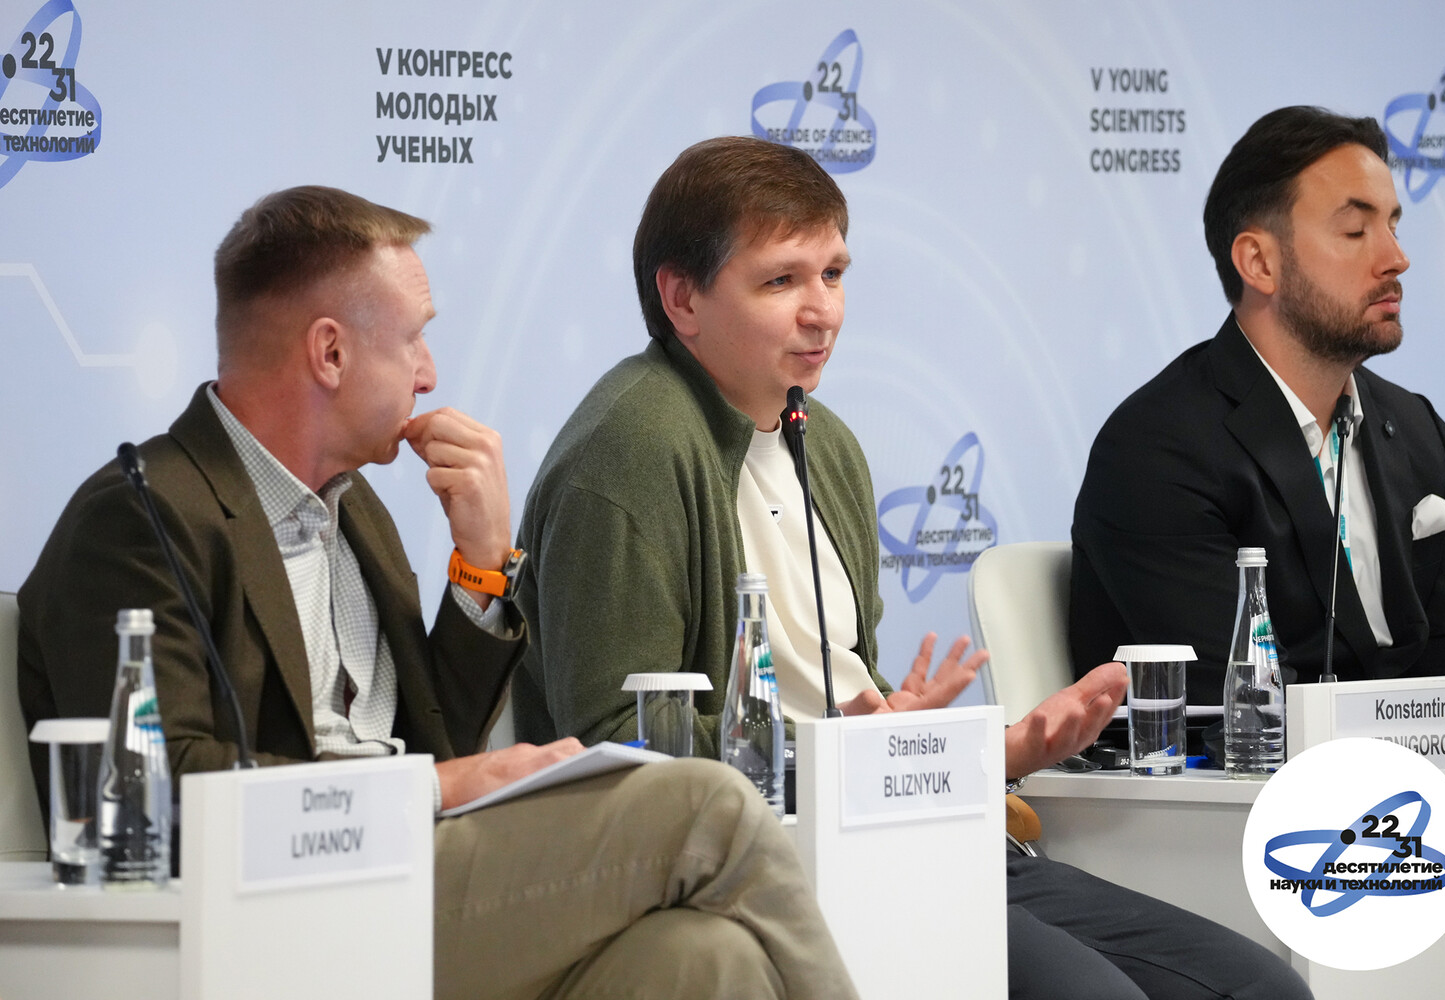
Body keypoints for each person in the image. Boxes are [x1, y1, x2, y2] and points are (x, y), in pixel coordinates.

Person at [514, 136, 1312, 1000]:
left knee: (1260, 987)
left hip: (900, 833)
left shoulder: (825, 442)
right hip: (768, 869)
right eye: (781, 281)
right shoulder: (631, 450)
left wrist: (995, 749)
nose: (823, 312)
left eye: (833, 274)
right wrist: (852, 752)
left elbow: (849, 696)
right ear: (682, 297)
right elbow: (621, 744)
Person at [17, 185, 858, 1000]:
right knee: (706, 805)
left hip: (413, 875)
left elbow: (437, 738)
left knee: (705, 959)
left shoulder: (358, 512)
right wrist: (440, 789)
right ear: (330, 353)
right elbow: (163, 787)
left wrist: (483, 567)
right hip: (288, 906)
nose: (428, 374)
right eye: (414, 339)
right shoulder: (142, 517)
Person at [1071, 106, 1445, 704]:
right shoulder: (1156, 451)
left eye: (1393, 226)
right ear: (1259, 263)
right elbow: (1243, 708)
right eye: (1356, 231)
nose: (1396, 258)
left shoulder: (1420, 432)